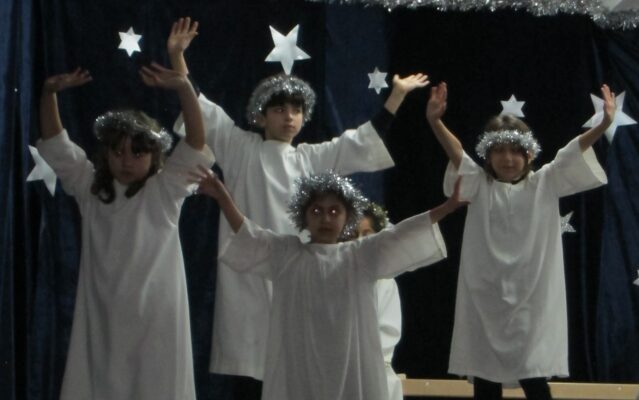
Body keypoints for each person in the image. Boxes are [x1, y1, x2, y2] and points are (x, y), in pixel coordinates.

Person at [167, 16, 431, 387]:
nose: (288, 117)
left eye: (296, 111)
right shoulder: (240, 147)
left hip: (299, 276)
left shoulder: (311, 158)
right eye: (279, 110)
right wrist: (178, 58)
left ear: (304, 118)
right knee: (252, 370)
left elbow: (362, 141)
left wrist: (397, 95)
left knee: (298, 370)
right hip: (250, 273)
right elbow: (199, 108)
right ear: (261, 116)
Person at [190, 169, 465, 400]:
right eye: (317, 211)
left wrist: (448, 207)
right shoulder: (287, 255)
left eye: (334, 211)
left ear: (347, 217)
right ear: (304, 216)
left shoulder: (361, 256)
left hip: (351, 366)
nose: (326, 218)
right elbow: (249, 232)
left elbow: (403, 233)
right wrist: (223, 198)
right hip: (300, 367)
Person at [426, 82, 615, 400]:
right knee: (485, 381)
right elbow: (457, 155)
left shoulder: (545, 183)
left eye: (516, 151)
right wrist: (435, 122)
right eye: (499, 150)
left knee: (534, 379)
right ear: (488, 155)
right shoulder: (479, 185)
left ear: (530, 154)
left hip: (532, 304)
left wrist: (604, 124)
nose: (508, 158)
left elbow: (572, 151)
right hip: (484, 302)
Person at [37, 63, 214, 400]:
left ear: (154, 155)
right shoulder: (91, 189)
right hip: (103, 321)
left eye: (137, 152)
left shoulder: (164, 191)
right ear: (106, 154)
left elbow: (195, 142)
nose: (126, 161)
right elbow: (56, 143)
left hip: (156, 321)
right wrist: (49, 94)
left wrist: (184, 89)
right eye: (118, 152)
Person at [356, 202, 404, 400]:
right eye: (353, 234)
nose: (359, 241)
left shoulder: (384, 281)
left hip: (373, 372)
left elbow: (388, 331)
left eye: (366, 234)